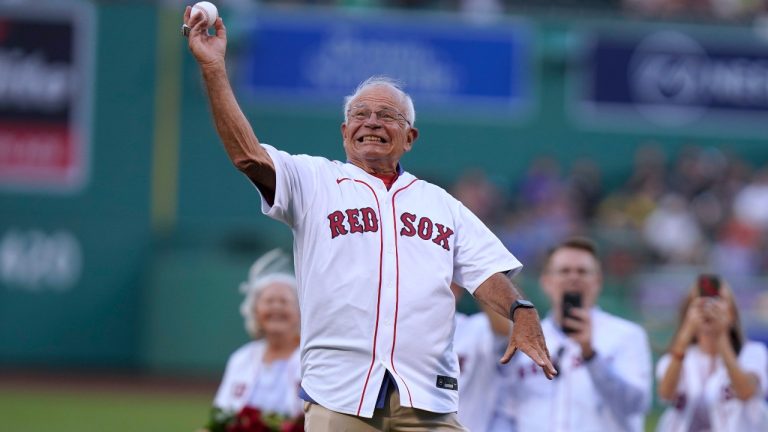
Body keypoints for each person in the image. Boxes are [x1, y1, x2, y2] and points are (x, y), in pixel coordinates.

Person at [183, 8, 556, 432]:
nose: (372, 122)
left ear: (410, 137)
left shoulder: (441, 204)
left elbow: (486, 272)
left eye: (388, 116)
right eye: (360, 114)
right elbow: (247, 155)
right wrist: (214, 68)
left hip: (426, 397)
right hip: (339, 394)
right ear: (344, 132)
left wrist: (520, 309)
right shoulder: (314, 180)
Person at [503, 237, 652, 432]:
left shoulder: (626, 335)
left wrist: (591, 356)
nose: (573, 278)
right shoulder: (524, 337)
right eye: (564, 271)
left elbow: (636, 405)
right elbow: (506, 411)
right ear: (546, 281)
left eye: (582, 271)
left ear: (598, 281)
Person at [655, 275, 768, 432]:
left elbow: (746, 392)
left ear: (732, 312)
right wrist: (685, 333)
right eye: (700, 301)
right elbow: (666, 393)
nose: (708, 307)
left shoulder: (752, 352)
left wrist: (721, 336)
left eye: (718, 299)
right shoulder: (676, 358)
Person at [210, 249, 302, 418]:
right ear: (255, 310)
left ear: (300, 311)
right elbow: (221, 415)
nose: (276, 307)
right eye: (269, 301)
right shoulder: (241, 359)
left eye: (284, 301)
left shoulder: (311, 359)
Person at [451, 283, 516, 432]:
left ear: (457, 288)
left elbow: (504, 329)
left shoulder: (475, 328)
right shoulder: (402, 332)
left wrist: (476, 279)